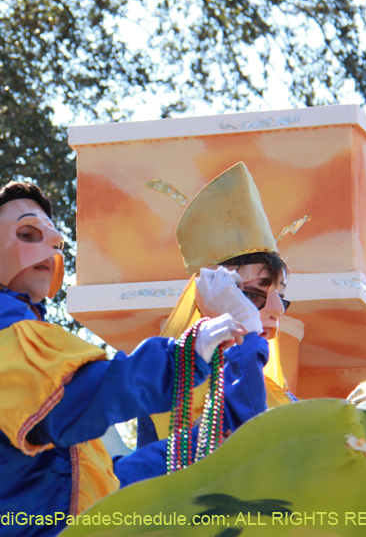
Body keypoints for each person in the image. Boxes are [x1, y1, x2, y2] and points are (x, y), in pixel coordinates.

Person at [0, 176, 245, 535]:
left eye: (53, 238)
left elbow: (89, 481)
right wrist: (185, 356)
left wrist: (192, 449)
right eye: (28, 234)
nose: (52, 245)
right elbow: (69, 399)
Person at [118, 162, 292, 483]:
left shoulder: (283, 397)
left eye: (281, 294)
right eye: (254, 293)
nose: (277, 309)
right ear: (209, 297)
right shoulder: (170, 393)